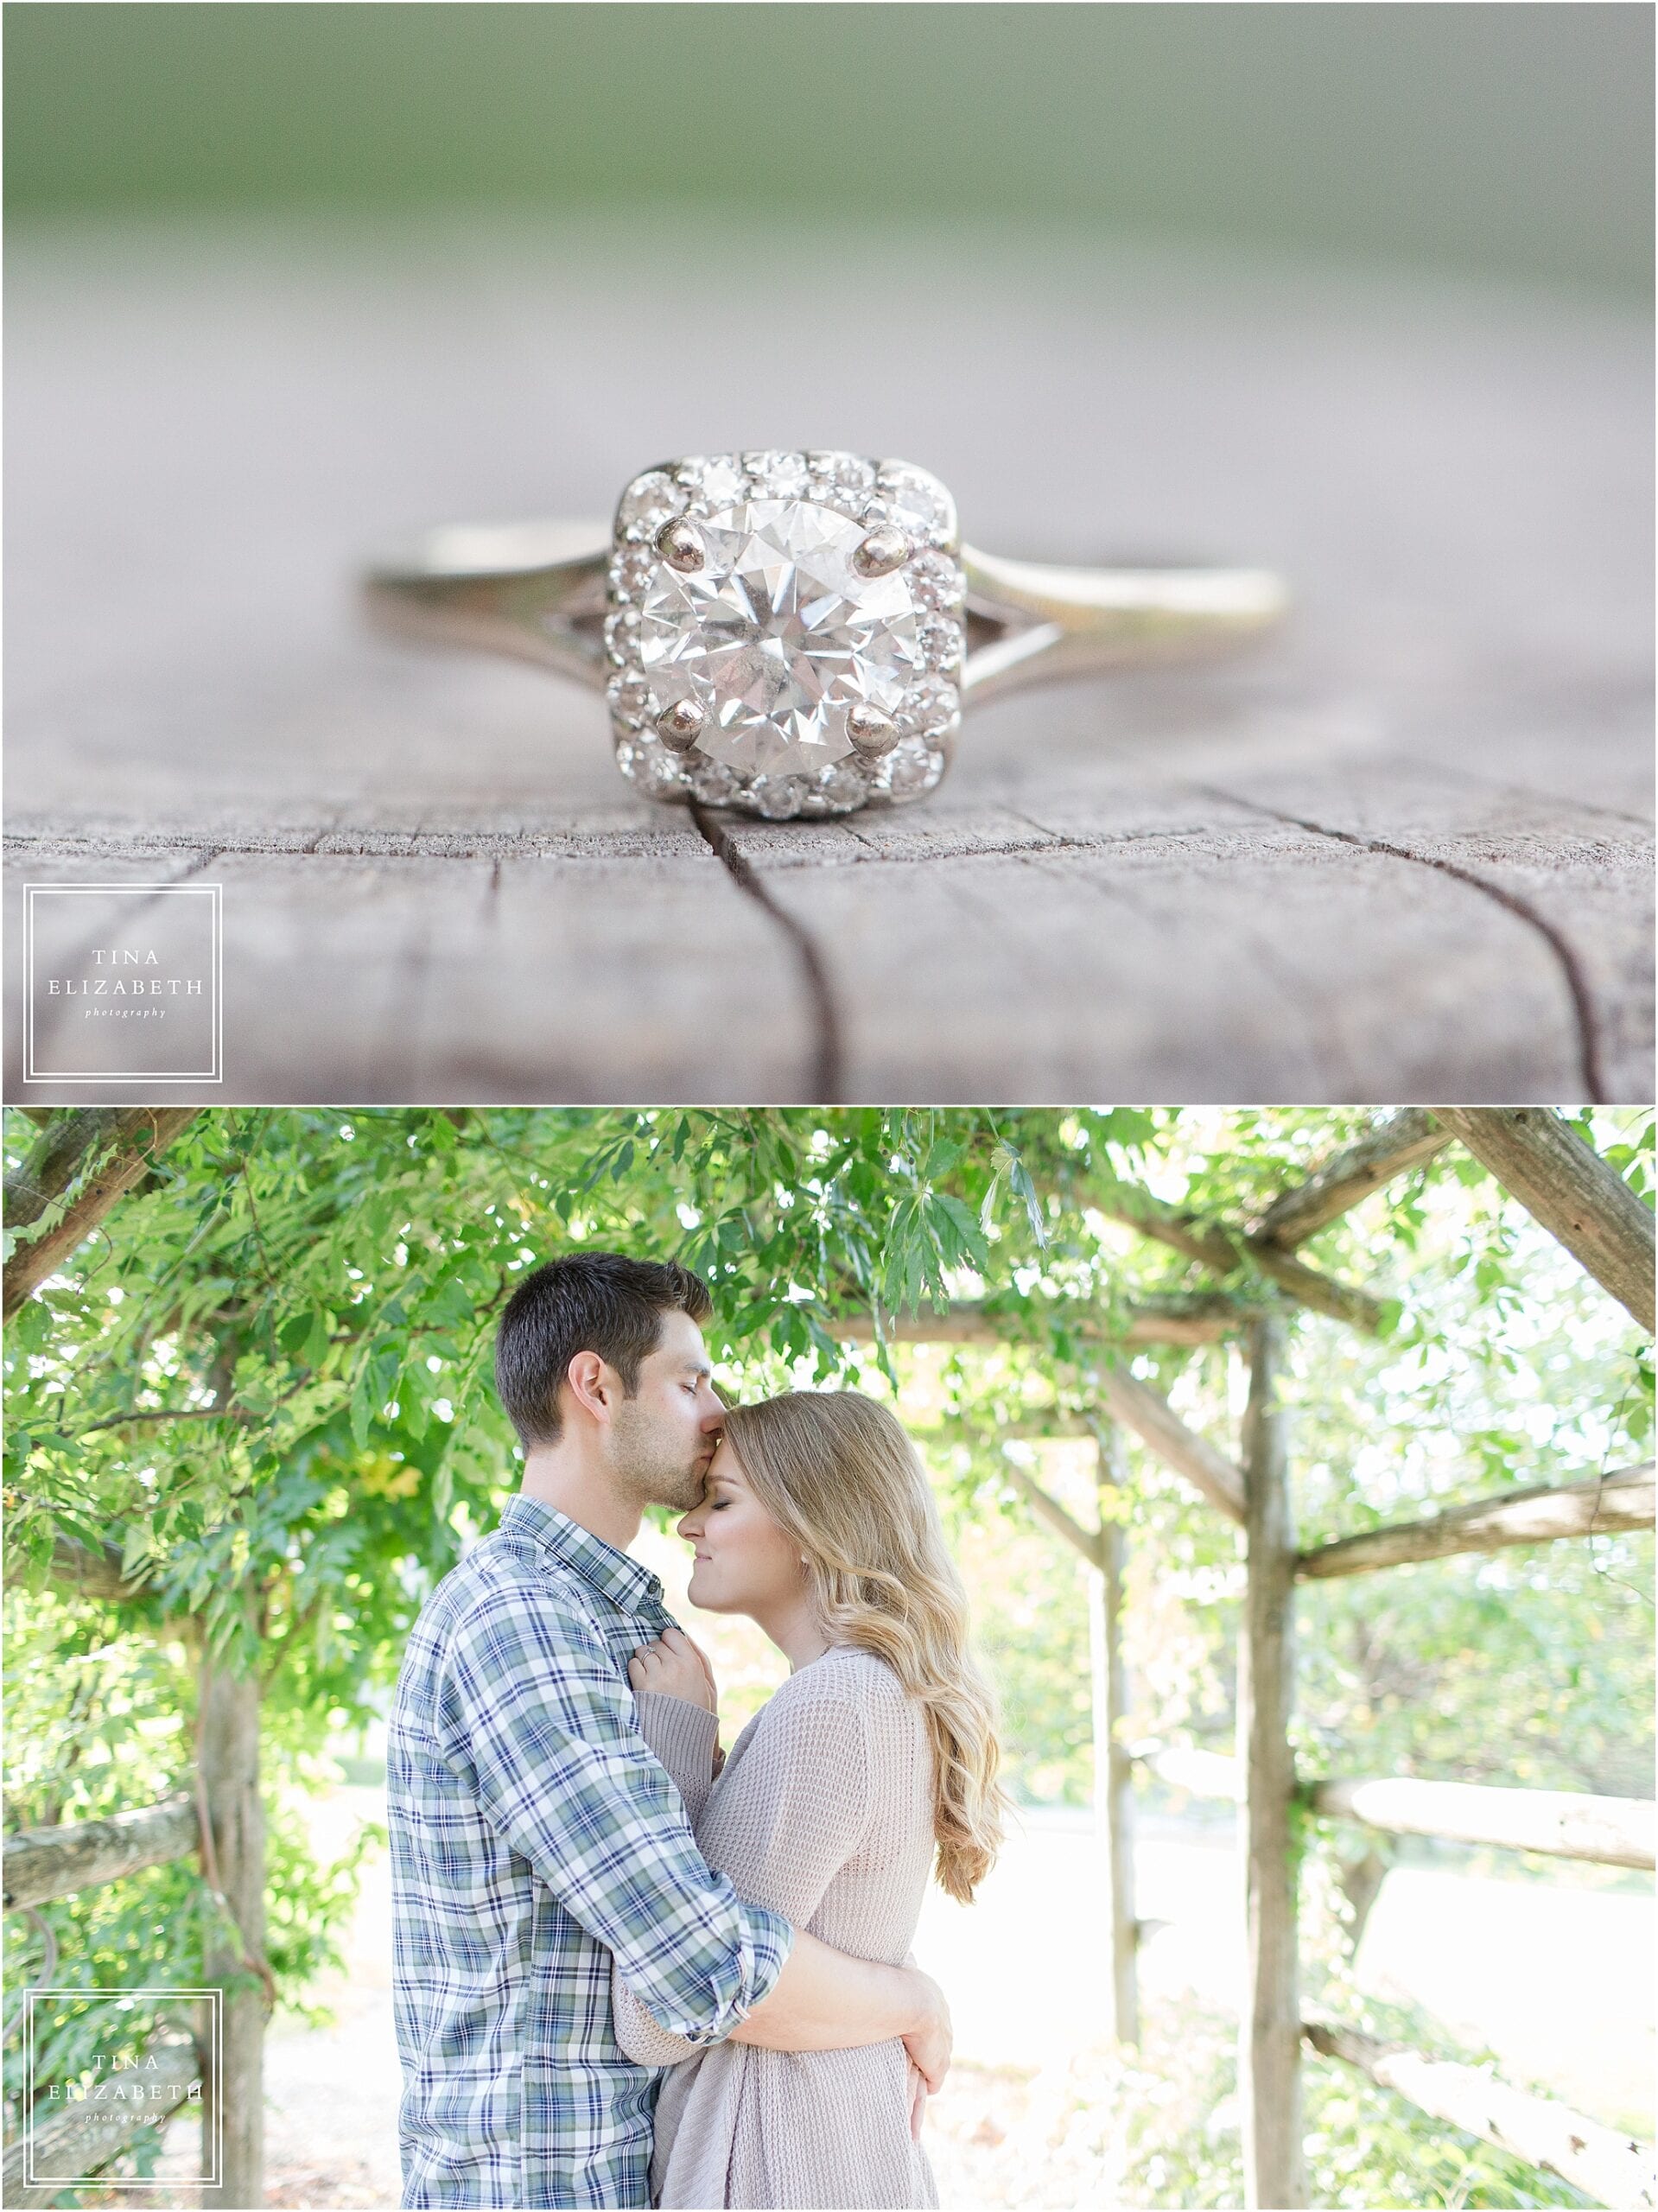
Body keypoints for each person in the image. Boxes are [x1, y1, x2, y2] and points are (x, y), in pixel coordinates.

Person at [386, 1254, 953, 2210]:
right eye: (690, 1380)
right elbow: (692, 1967)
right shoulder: (522, 1617)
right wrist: (909, 2001)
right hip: (539, 2186)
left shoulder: (615, 1625)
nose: (715, 1408)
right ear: (596, 1385)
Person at [613, 1389, 1007, 2210]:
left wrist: (676, 1744)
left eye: (719, 1502)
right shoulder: (878, 1694)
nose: (688, 1525)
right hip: (830, 2140)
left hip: (778, 2153)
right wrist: (912, 2002)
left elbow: (659, 2017)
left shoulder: (833, 1706)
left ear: (808, 1526)